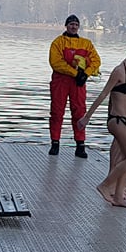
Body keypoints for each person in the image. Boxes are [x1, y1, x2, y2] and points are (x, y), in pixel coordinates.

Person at [77, 40, 126, 208]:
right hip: (117, 121)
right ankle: (105, 185)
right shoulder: (118, 71)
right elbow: (104, 94)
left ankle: (118, 197)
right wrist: (86, 117)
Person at [48, 14, 101, 157]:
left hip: (79, 82)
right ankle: (55, 143)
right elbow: (56, 62)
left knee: (79, 112)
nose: (73, 27)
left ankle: (80, 144)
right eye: (71, 24)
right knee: (57, 112)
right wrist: (74, 73)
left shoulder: (86, 43)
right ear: (66, 26)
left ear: (79, 27)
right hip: (61, 81)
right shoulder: (58, 42)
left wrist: (86, 74)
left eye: (76, 25)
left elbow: (96, 60)